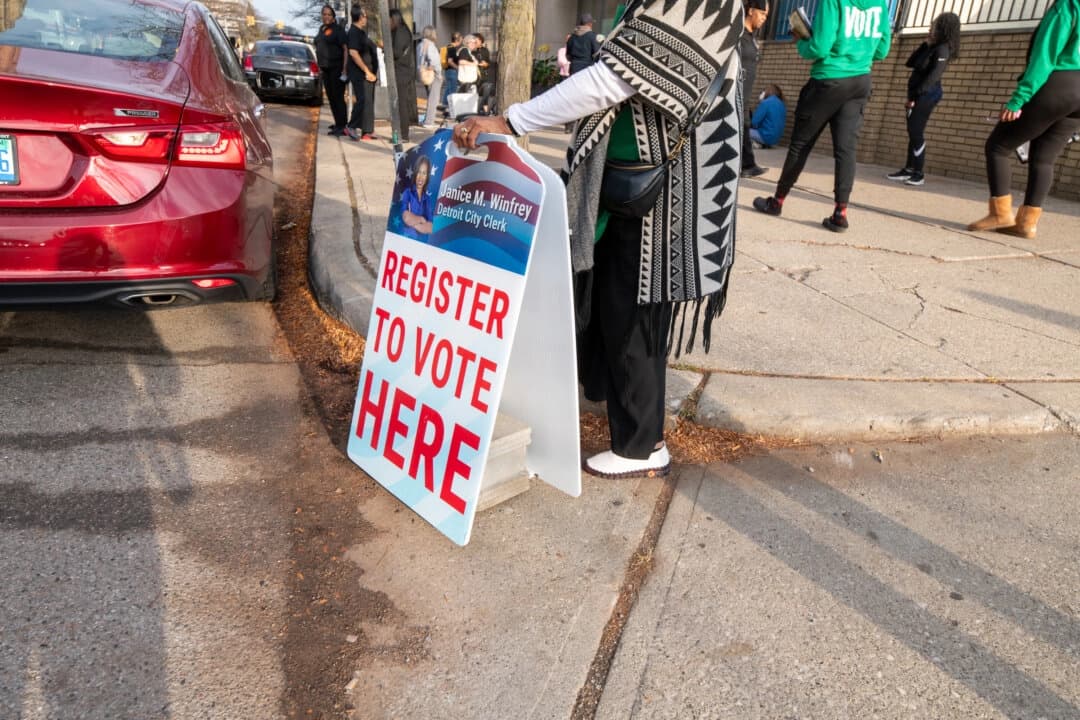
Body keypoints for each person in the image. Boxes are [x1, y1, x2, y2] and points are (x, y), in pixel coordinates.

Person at [453, 0, 743, 479]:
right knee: (617, 302)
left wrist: (514, 120)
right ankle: (629, 425)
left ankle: (642, 446)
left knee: (635, 309)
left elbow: (613, 79)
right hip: (635, 178)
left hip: (663, 190)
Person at [752, 0, 891, 232]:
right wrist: (856, 55)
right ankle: (840, 213)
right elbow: (882, 50)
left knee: (800, 145)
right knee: (846, 150)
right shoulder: (880, 4)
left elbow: (819, 48)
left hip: (828, 79)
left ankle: (777, 201)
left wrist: (802, 42)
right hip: (860, 81)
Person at [967, 0, 1080, 239]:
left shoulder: (1069, 6)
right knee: (1044, 158)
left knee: (998, 146)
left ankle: (1000, 214)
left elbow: (1045, 55)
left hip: (1059, 83)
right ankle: (1027, 224)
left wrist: (1019, 98)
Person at [886, 12, 961, 187]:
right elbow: (910, 63)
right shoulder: (932, 47)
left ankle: (918, 173)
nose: (931, 27)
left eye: (935, 25)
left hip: (926, 95)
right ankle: (909, 169)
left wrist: (915, 97)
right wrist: (924, 45)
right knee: (912, 132)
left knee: (916, 131)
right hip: (917, 94)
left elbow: (932, 77)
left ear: (943, 28)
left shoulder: (943, 49)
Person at [740, 0, 770, 177]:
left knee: (744, 127)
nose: (765, 18)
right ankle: (747, 165)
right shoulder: (738, 35)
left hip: (745, 95)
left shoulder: (751, 37)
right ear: (751, 10)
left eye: (767, 16)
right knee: (742, 128)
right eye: (762, 13)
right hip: (735, 92)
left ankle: (747, 165)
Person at [315, 5, 349, 137]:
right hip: (325, 69)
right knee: (331, 98)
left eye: (329, 14)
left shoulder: (338, 30)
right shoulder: (322, 29)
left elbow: (345, 49)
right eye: (324, 14)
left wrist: (345, 69)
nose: (326, 16)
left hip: (336, 68)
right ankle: (337, 122)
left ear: (333, 17)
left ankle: (342, 126)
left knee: (338, 97)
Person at [346, 5, 379, 141]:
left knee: (368, 101)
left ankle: (367, 130)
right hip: (360, 73)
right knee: (362, 100)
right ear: (360, 17)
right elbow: (353, 52)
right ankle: (351, 126)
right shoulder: (353, 32)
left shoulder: (361, 32)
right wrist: (366, 71)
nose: (366, 18)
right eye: (365, 15)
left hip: (368, 73)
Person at [389, 8, 418, 142]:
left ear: (394, 19)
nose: (388, 23)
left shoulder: (400, 32)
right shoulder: (401, 31)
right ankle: (400, 134)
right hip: (402, 71)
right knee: (400, 104)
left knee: (401, 104)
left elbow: (396, 52)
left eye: (389, 20)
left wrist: (384, 47)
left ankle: (403, 135)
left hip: (402, 72)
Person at [400, 155, 435, 239]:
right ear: (415, 173)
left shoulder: (427, 199)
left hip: (420, 244)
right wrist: (421, 219)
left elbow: (430, 228)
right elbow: (406, 217)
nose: (420, 177)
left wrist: (413, 222)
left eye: (424, 173)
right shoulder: (408, 193)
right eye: (419, 172)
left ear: (427, 176)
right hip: (405, 239)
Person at [416, 26, 443, 128]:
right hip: (433, 74)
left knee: (430, 97)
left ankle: (427, 120)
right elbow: (434, 61)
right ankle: (429, 121)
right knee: (434, 99)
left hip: (424, 74)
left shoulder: (420, 45)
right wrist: (439, 73)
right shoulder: (430, 45)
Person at [475, 33, 496, 114]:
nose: (475, 42)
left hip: (484, 75)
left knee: (486, 92)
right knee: (475, 94)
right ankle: (475, 110)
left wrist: (486, 64)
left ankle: (485, 111)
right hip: (474, 76)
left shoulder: (485, 50)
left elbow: (488, 63)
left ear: (481, 41)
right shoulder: (472, 50)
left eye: (477, 40)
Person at [441, 32, 462, 106]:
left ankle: (444, 104)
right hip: (452, 71)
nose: (461, 42)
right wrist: (458, 68)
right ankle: (451, 107)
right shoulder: (452, 48)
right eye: (461, 40)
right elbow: (450, 61)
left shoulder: (448, 46)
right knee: (452, 90)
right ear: (457, 40)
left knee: (448, 89)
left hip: (447, 71)